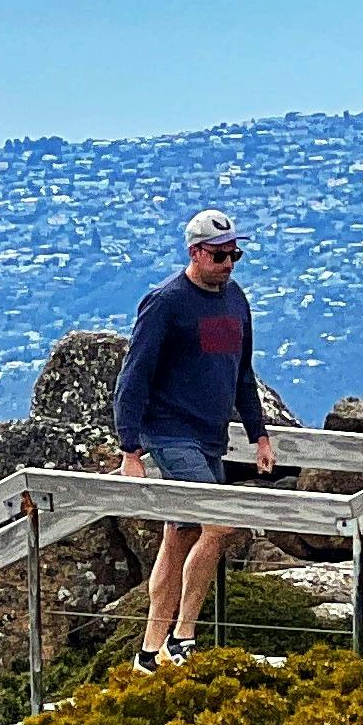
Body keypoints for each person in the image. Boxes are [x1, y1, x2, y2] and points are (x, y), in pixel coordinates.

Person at [111, 208, 279, 672]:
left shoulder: (235, 301)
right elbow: (133, 377)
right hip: (170, 433)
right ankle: (184, 635)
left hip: (210, 435)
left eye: (234, 255)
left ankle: (150, 649)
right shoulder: (166, 303)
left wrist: (259, 434)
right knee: (219, 524)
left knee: (181, 533)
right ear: (195, 253)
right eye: (219, 255)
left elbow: (241, 373)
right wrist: (130, 450)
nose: (228, 264)